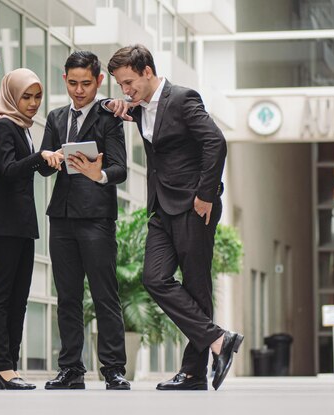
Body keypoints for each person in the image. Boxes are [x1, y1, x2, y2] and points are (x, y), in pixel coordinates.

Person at [104, 44, 243, 391]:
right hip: (161, 208)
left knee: (196, 286)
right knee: (154, 277)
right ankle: (218, 340)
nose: (125, 89)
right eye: (121, 84)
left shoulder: (182, 98)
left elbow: (215, 141)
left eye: (129, 82)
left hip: (194, 206)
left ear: (147, 71)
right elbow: (110, 107)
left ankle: (194, 372)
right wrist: (114, 104)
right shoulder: (138, 107)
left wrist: (205, 194)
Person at [40, 51, 130, 391]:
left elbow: (120, 168)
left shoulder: (109, 118)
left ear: (99, 81)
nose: (80, 91)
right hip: (61, 217)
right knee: (67, 296)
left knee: (105, 294)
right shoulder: (56, 116)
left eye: (87, 84)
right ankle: (71, 369)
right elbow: (44, 166)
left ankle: (113, 369)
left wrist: (99, 173)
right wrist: (46, 159)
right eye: (73, 83)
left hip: (96, 217)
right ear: (64, 79)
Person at [0, 68, 63, 390]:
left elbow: (25, 167)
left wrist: (49, 160)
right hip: (4, 224)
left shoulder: (21, 127)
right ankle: (2, 367)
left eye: (37, 97)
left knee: (18, 299)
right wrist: (37, 157)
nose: (32, 103)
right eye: (25, 97)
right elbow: (7, 170)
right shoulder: (3, 126)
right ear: (12, 97)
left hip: (21, 224)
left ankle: (10, 367)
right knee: (2, 297)